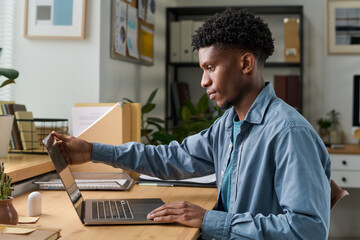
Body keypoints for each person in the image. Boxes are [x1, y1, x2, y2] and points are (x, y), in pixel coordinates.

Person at [53, 8, 331, 240]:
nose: (203, 81)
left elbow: (308, 229)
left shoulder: (288, 133)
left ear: (246, 63)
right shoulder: (229, 125)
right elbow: (172, 158)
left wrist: (210, 220)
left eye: (210, 67)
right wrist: (92, 151)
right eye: (202, 70)